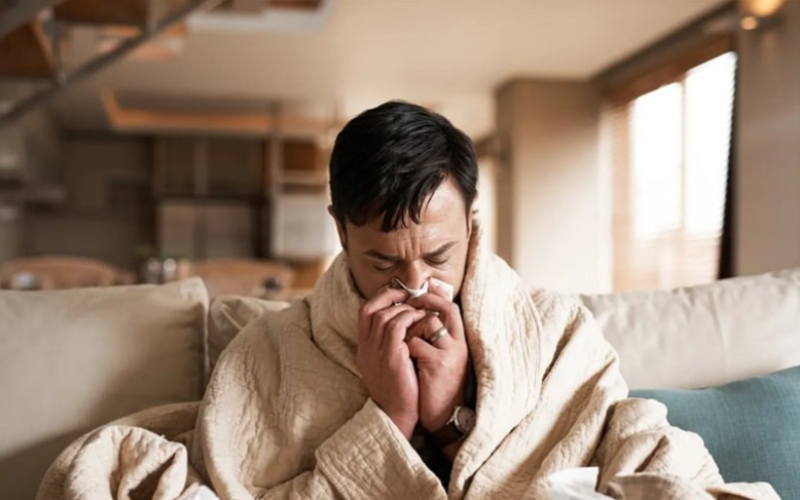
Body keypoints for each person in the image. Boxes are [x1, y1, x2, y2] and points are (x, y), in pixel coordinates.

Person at [38, 101, 778, 500]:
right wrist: (387, 419)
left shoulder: (555, 330)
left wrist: (452, 417)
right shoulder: (269, 353)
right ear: (341, 231)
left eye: (439, 255)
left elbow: (598, 456)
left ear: (473, 222)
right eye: (383, 262)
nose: (417, 283)